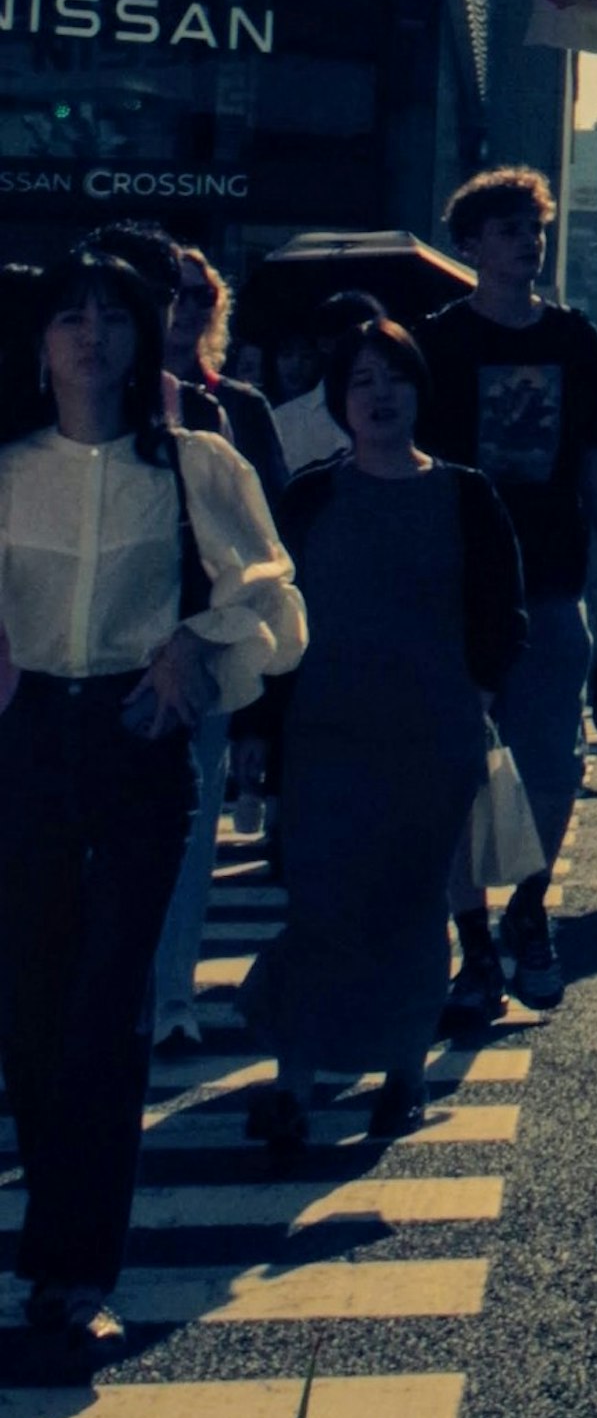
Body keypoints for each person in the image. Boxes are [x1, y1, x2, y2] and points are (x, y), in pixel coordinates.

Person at [0, 246, 298, 1351]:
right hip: (23, 738)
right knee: (28, 1006)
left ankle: (74, 1272)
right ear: (38, 340)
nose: (92, 336)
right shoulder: (10, 463)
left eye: (113, 317)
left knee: (107, 1004)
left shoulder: (194, 462)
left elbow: (268, 586)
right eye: (70, 317)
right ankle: (56, 1240)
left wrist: (197, 642)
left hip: (140, 739)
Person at [246, 317, 523, 1164]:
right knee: (321, 907)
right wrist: (258, 734)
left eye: (394, 377)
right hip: (325, 732)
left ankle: (405, 1072)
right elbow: (272, 622)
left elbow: (500, 611)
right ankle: (295, 1084)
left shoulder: (466, 491)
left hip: (431, 731)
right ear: (339, 400)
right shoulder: (310, 496)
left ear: (418, 391)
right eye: (361, 379)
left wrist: (474, 694)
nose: (379, 394)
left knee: (408, 908)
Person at [416, 166, 597, 1025]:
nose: (528, 240)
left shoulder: (574, 341)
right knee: (457, 772)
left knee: (551, 766)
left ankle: (528, 906)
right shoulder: (437, 343)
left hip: (551, 579)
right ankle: (475, 946)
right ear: (471, 243)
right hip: (454, 586)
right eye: (509, 227)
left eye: (535, 226)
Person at [144, 245, 283, 1054]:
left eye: (202, 293)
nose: (189, 306)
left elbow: (268, 544)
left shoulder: (238, 408)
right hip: (114, 641)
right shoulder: (98, 402)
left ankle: (172, 997)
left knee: (191, 837)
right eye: (175, 293)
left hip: (205, 640)